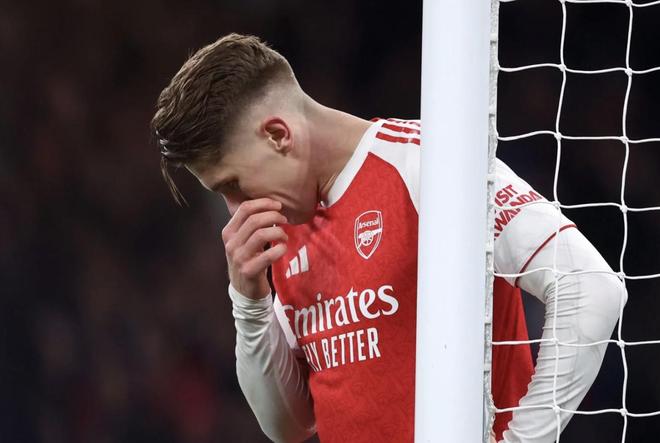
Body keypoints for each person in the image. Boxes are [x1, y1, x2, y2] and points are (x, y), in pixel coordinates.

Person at [151, 34, 625, 443]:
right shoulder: (285, 228)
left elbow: (589, 287)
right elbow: (289, 426)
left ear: (278, 134)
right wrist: (250, 303)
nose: (235, 210)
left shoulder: (428, 164)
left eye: (233, 184)